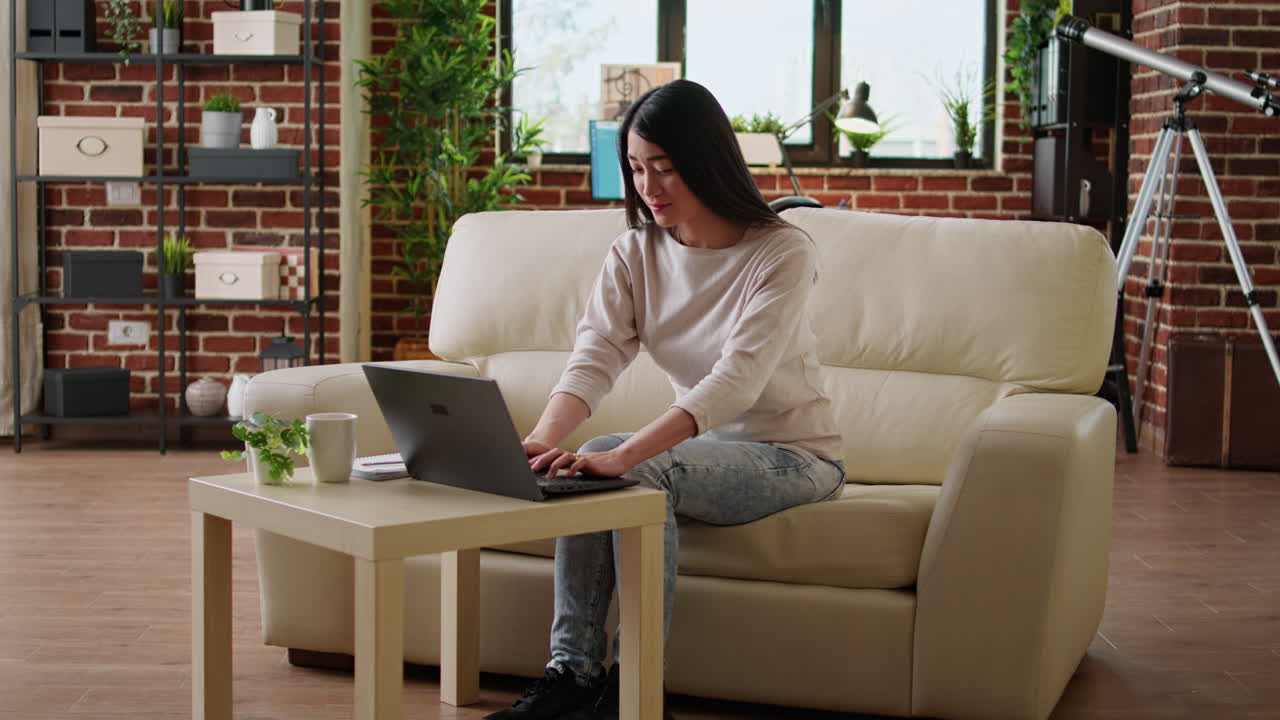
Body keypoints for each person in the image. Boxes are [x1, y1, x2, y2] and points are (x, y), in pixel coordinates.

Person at [486, 79, 846, 720]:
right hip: (703, 453)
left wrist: (626, 456)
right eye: (636, 168)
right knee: (587, 458)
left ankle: (635, 688)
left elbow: (736, 381)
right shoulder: (635, 252)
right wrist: (542, 441)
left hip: (795, 458)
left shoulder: (781, 252)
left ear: (707, 161)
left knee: (626, 463)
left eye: (666, 168)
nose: (648, 187)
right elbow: (594, 358)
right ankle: (570, 673)